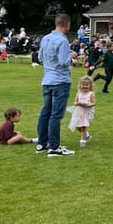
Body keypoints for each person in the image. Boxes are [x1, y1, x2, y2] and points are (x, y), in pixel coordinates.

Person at [36, 13, 76, 157]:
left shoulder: (45, 38)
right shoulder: (63, 41)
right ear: (67, 24)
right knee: (56, 114)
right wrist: (72, 57)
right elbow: (64, 61)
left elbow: (40, 57)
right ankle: (54, 146)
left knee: (46, 111)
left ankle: (42, 143)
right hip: (60, 81)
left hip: (47, 79)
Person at [68, 76, 97, 147]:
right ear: (80, 85)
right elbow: (75, 102)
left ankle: (83, 141)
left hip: (86, 112)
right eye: (83, 84)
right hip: (79, 111)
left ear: (90, 86)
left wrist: (88, 104)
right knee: (78, 126)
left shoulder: (91, 93)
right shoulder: (79, 93)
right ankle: (86, 135)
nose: (85, 86)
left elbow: (94, 103)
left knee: (83, 126)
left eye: (87, 85)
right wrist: (78, 103)